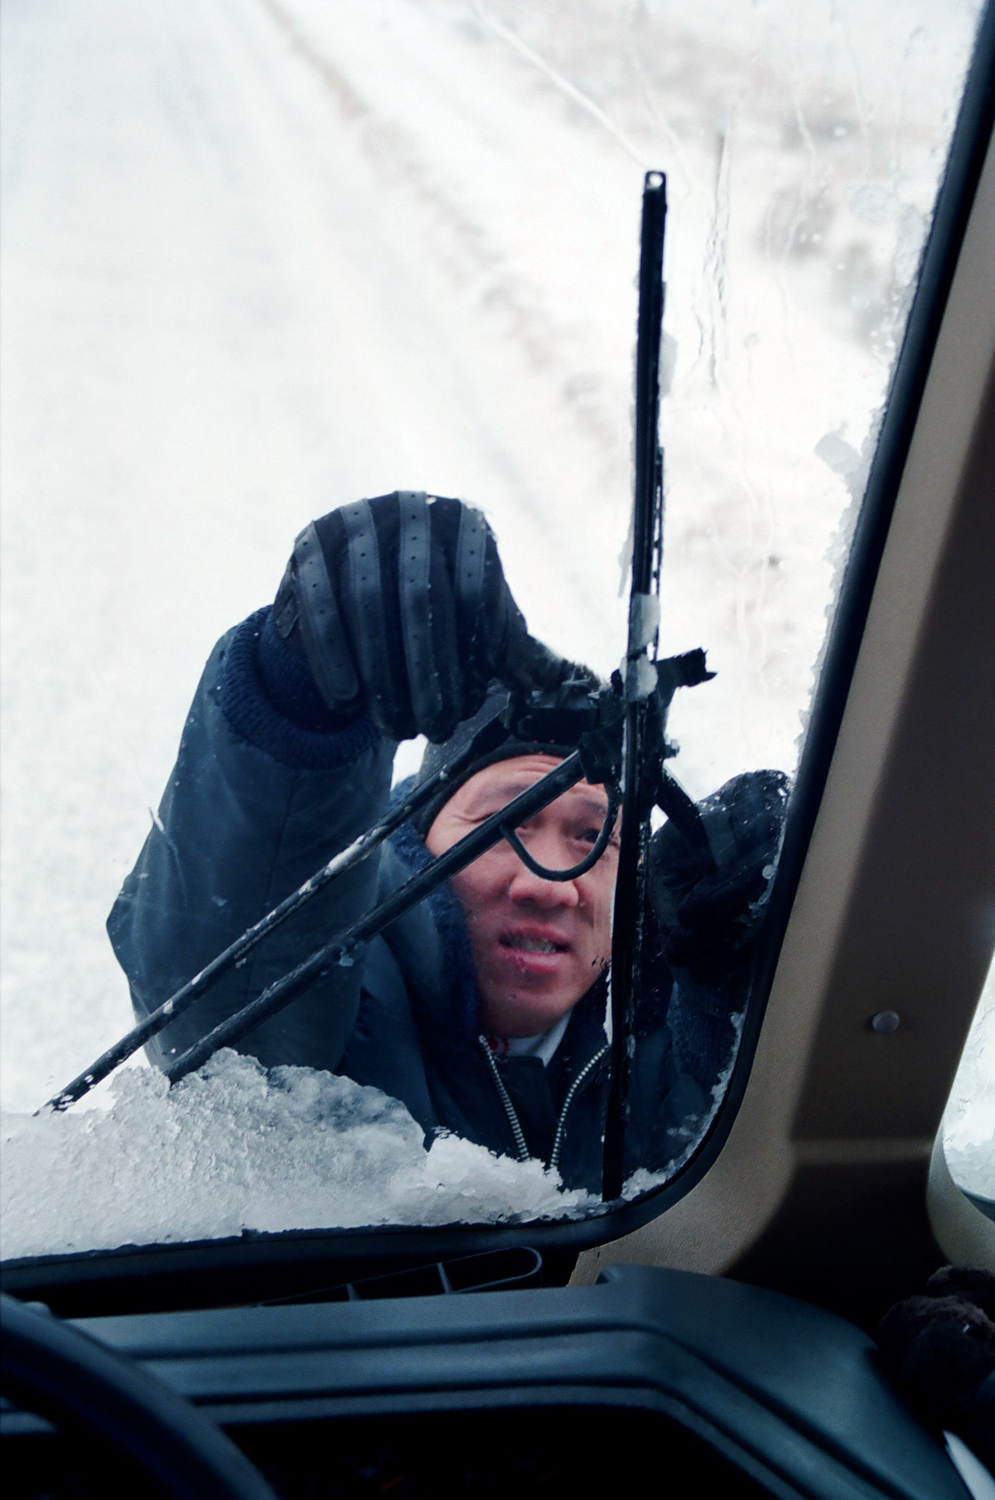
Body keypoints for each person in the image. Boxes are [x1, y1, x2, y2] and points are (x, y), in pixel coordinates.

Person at [108, 492, 786, 1193]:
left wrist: (759, 965)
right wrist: (299, 693)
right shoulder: (331, 1009)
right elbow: (228, 990)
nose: (549, 884)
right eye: (501, 826)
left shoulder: (664, 1035)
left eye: (593, 836)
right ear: (418, 843)